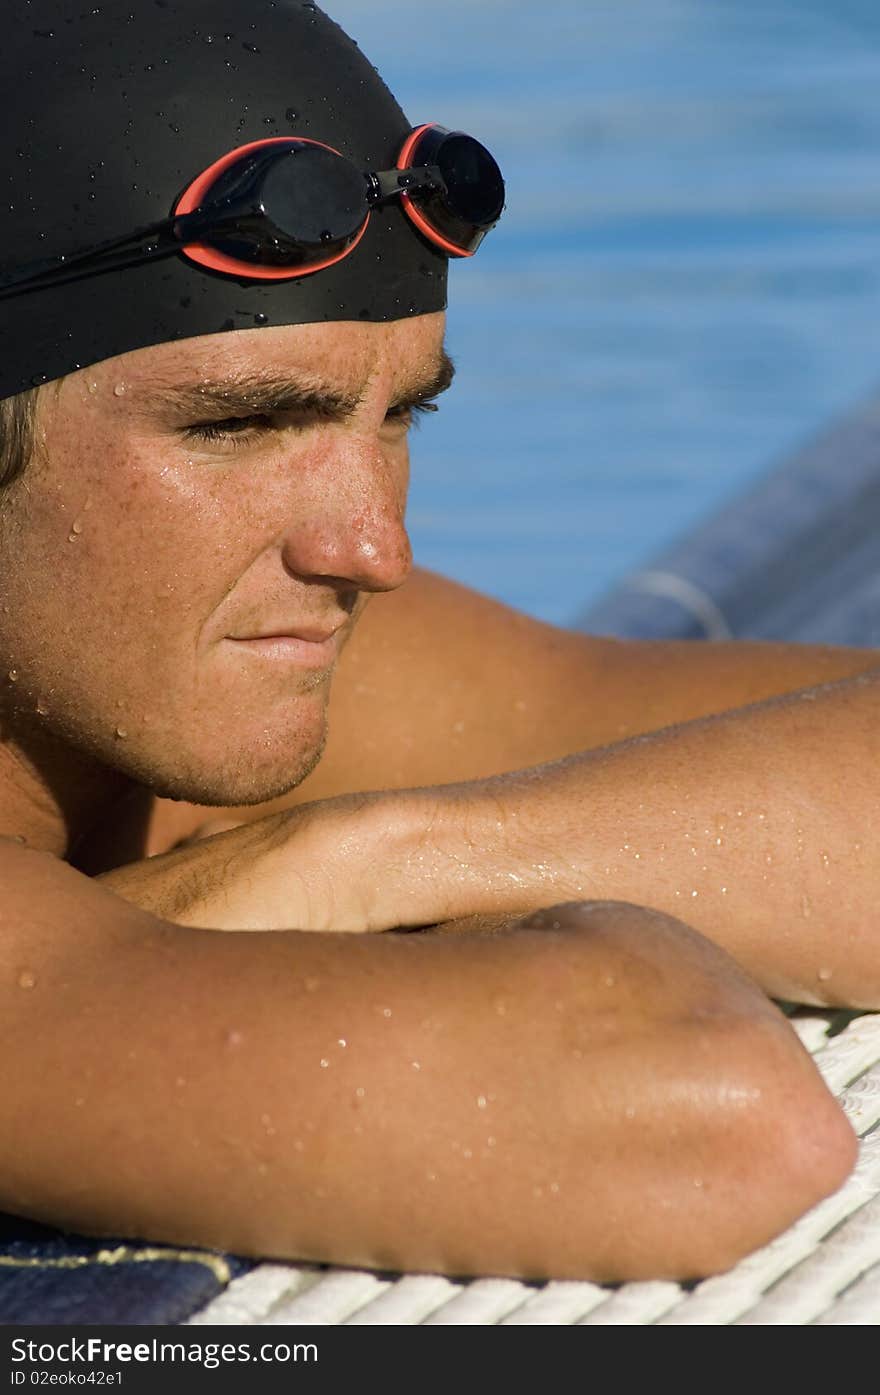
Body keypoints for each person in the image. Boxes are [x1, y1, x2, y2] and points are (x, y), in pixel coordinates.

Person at [0, 0, 876, 1285]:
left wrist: (377, 852)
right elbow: (696, 1123)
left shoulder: (162, 676)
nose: (372, 549)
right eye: (240, 428)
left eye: (399, 416)